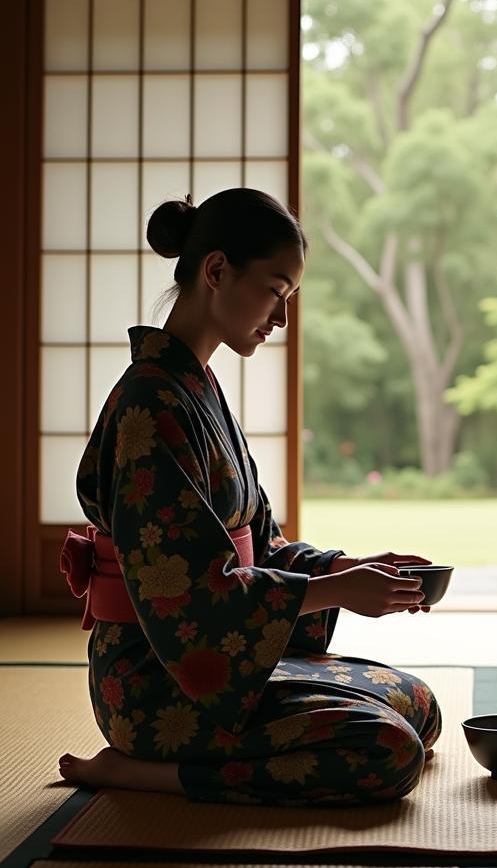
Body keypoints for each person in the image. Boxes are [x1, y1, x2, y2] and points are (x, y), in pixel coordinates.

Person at [58, 189, 441, 807]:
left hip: (213, 664)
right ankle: (148, 773)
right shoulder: (150, 407)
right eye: (276, 292)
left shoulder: (195, 386)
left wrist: (347, 570)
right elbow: (186, 596)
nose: (283, 318)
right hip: (156, 678)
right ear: (216, 271)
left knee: (418, 707)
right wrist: (340, 592)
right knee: (387, 752)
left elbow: (260, 545)